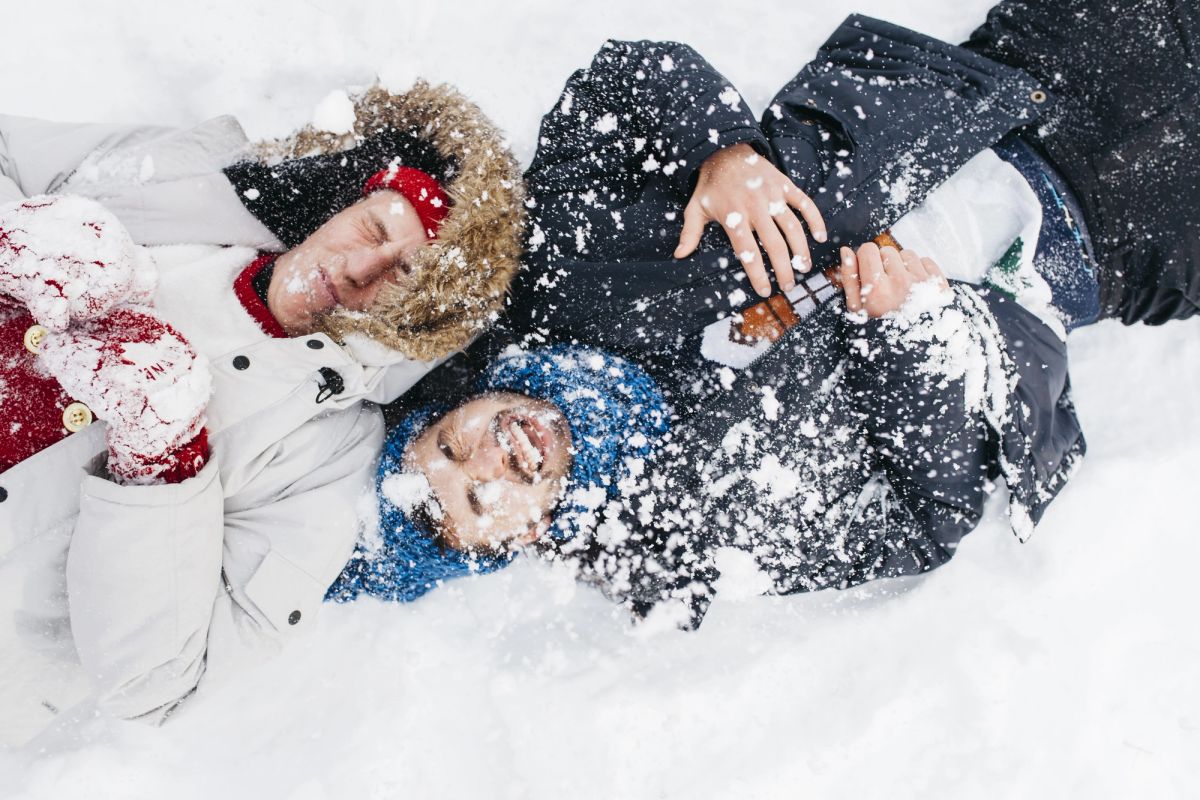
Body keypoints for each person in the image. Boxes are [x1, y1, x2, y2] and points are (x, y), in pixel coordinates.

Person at [336, 0, 1197, 624]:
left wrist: (723, 147)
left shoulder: (555, 279)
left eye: (448, 446)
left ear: (447, 407)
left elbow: (621, 82)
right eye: (478, 501)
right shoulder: (712, 533)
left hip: (1013, 87)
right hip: (1117, 247)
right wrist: (909, 333)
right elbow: (924, 518)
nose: (491, 458)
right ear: (518, 543)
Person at [0, 84, 525, 744]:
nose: (361, 268)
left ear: (419, 323)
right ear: (348, 201)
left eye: (404, 278)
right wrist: (18, 236)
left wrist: (163, 457)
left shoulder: (328, 461)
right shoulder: (190, 180)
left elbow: (155, 686)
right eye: (373, 230)